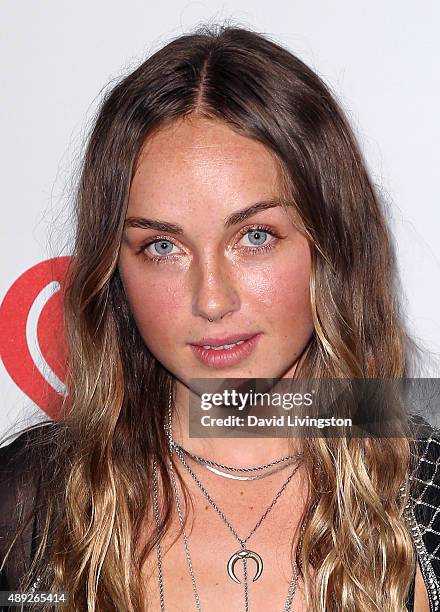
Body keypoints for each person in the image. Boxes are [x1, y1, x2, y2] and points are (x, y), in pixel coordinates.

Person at [0, 23, 439, 612]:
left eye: (254, 236)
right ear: (113, 267)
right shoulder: (32, 499)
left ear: (331, 242)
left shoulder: (429, 494)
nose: (211, 300)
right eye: (162, 246)